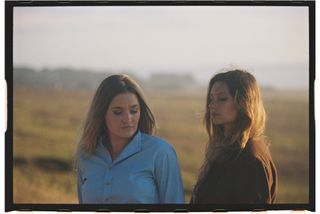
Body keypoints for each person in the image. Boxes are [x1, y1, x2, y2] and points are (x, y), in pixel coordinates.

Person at [76, 74, 184, 204]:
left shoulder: (160, 152)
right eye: (118, 112)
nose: (128, 119)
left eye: (133, 111)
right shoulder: (86, 153)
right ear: (101, 114)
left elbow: (175, 208)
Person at [191, 69, 277, 204]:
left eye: (222, 98)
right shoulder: (226, 147)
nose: (212, 105)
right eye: (211, 98)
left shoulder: (250, 158)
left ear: (244, 102)